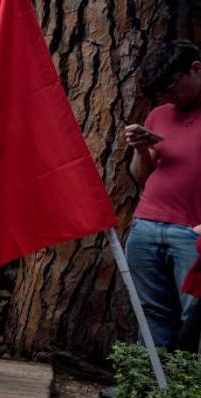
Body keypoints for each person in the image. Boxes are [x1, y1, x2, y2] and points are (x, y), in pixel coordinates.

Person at [124, 39, 201, 349]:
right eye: (161, 94)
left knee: (194, 318)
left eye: (171, 89)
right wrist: (141, 149)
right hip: (146, 224)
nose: (167, 98)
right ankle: (149, 387)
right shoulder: (159, 114)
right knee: (150, 312)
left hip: (193, 232)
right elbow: (142, 176)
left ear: (196, 69)